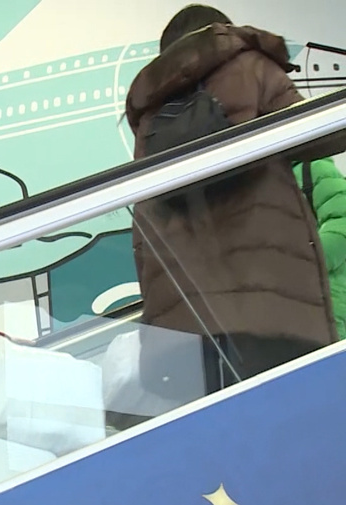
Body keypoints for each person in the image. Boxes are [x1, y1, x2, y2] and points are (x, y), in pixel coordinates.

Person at [125, 5, 346, 395]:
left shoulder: (151, 112)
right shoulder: (249, 67)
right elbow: (321, 132)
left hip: (186, 330)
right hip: (273, 304)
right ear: (220, 31)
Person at [295, 157, 346, 339]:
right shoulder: (257, 186)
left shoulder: (314, 168)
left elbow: (341, 223)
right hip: (301, 314)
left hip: (334, 300)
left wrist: (302, 262)